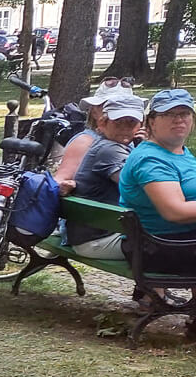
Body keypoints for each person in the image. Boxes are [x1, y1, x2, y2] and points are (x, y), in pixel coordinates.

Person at [73, 88, 196, 262]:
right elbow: (170, 207)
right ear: (151, 123)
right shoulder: (122, 152)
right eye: (169, 114)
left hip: (130, 232)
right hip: (113, 237)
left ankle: (151, 289)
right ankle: (151, 288)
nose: (178, 119)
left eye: (185, 113)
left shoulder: (174, 151)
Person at [58, 93, 142, 207]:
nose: (124, 127)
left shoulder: (125, 144)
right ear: (102, 123)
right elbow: (143, 187)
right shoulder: (108, 149)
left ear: (141, 125)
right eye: (118, 121)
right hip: (101, 222)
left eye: (132, 122)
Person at [55, 78, 134, 181]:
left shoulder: (134, 140)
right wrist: (66, 185)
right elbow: (60, 180)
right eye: (109, 107)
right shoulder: (85, 141)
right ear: (94, 112)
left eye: (126, 108)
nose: (119, 114)